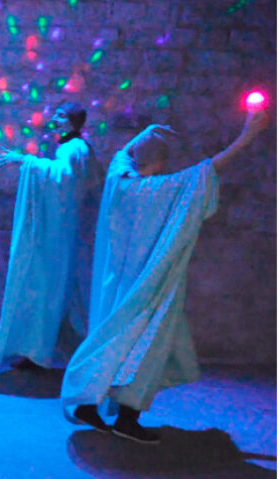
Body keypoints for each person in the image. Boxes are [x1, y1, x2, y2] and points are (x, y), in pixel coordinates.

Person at [58, 102, 266, 439]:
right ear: (159, 162)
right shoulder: (155, 191)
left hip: (117, 291)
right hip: (148, 293)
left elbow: (123, 156)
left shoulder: (118, 182)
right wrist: (246, 137)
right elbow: (205, 172)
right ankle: (126, 419)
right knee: (145, 348)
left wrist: (143, 135)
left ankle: (88, 404)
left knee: (112, 344)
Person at [0, 103, 94, 371]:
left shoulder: (74, 148)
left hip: (58, 234)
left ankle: (40, 352)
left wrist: (25, 160)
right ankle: (40, 350)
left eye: (60, 115)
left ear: (72, 121)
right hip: (60, 230)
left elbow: (64, 178)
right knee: (49, 289)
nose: (54, 119)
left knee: (46, 288)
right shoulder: (73, 147)